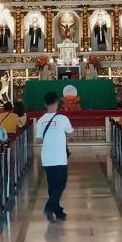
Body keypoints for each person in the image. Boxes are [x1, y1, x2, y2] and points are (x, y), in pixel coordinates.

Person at [36, 92, 73, 223]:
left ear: (45, 104)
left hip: (47, 157)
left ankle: (58, 212)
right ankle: (49, 207)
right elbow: (70, 134)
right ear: (57, 103)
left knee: (52, 185)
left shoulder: (40, 120)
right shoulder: (63, 119)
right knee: (61, 183)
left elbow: (38, 140)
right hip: (60, 156)